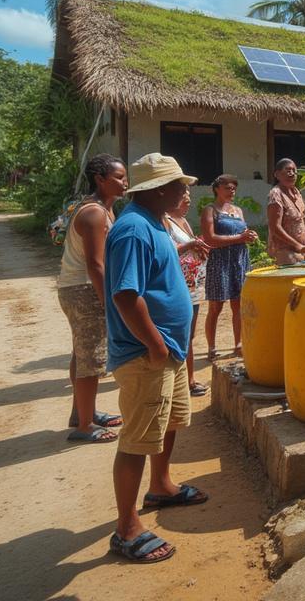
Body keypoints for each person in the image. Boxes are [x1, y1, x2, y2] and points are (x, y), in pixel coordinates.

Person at [104, 153, 206, 564]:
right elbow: (126, 295)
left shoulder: (155, 222)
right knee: (137, 438)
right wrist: (155, 345)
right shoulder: (132, 230)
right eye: (179, 184)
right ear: (158, 189)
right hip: (147, 354)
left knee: (168, 424)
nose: (185, 191)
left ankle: (161, 486)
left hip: (168, 350)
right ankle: (126, 528)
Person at [57, 154, 127, 442]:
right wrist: (108, 301)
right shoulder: (95, 214)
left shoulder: (103, 210)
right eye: (119, 178)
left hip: (77, 288)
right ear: (100, 179)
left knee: (81, 353)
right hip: (85, 290)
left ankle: (83, 412)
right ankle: (84, 426)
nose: (125, 182)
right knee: (91, 359)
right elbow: (95, 264)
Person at [201, 174, 258, 360]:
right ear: (217, 189)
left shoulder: (238, 211)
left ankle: (238, 344)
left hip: (239, 261)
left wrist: (249, 235)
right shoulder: (210, 210)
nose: (231, 191)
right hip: (220, 262)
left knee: (238, 305)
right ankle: (211, 347)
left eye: (234, 188)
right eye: (227, 187)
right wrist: (240, 238)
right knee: (216, 307)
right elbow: (210, 239)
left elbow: (242, 232)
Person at [165, 190, 211, 397]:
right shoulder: (164, 221)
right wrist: (191, 245)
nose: (188, 201)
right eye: (185, 197)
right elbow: (168, 250)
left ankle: (188, 380)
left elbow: (189, 244)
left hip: (193, 286)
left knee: (189, 335)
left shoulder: (182, 220)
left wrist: (198, 246)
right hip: (179, 285)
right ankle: (184, 382)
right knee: (182, 334)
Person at [266, 158, 305, 265]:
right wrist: (297, 245)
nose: (292, 174)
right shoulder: (276, 195)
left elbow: (304, 217)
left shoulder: (297, 193)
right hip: (284, 252)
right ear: (277, 175)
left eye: (294, 170)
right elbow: (275, 227)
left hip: (303, 251)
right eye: (288, 170)